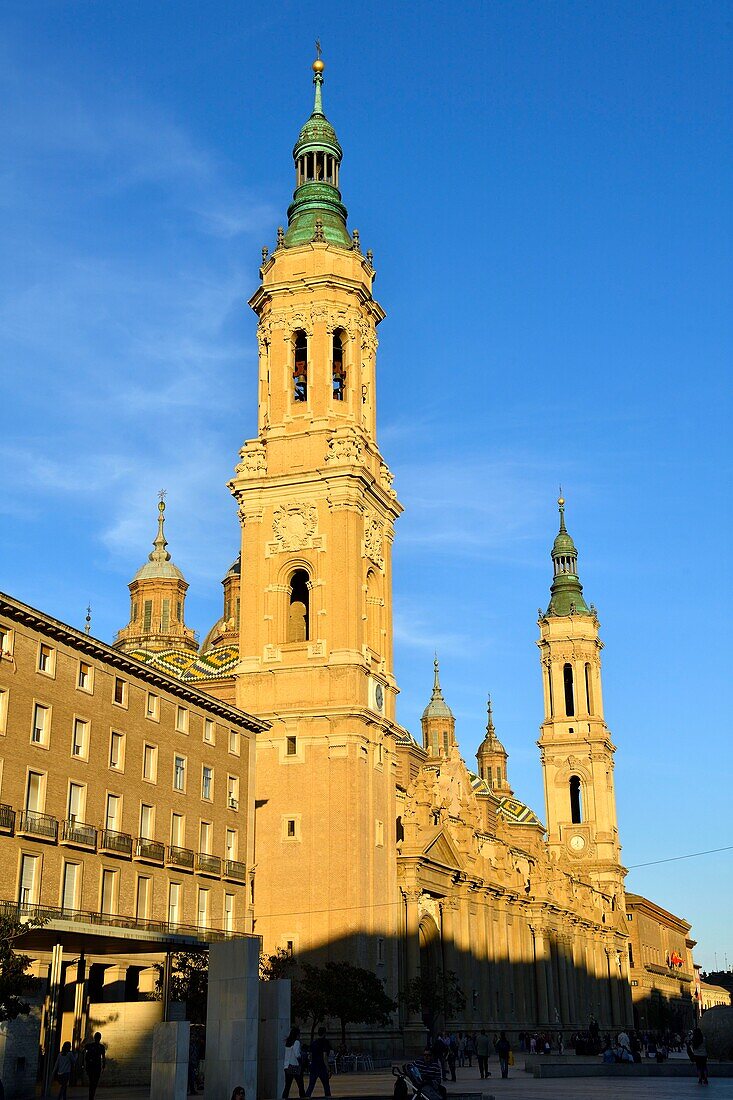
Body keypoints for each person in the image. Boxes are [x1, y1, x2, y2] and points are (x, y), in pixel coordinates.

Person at [306, 1027, 331, 1097]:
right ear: (324, 1033)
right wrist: (328, 1069)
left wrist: (310, 1064)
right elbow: (325, 1056)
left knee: (311, 1086)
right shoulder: (325, 1042)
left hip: (314, 1066)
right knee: (326, 1086)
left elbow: (310, 1056)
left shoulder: (313, 1043)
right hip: (322, 1067)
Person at [83, 1033, 105, 1100]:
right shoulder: (101, 1047)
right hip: (96, 1067)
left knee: (92, 1082)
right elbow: (103, 1057)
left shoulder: (89, 1046)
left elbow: (83, 1051)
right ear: (100, 1038)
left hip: (91, 1067)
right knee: (94, 1083)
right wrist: (103, 1065)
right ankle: (91, 1096)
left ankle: (91, 1096)